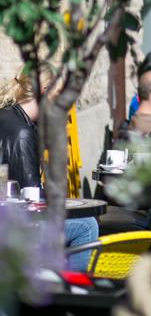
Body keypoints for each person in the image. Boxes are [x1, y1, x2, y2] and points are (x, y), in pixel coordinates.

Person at [0, 70, 99, 272]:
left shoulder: (7, 114)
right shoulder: (22, 133)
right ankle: (73, 289)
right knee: (87, 225)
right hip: (14, 228)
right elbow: (31, 196)